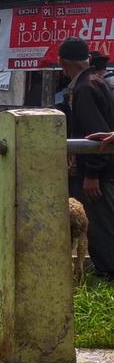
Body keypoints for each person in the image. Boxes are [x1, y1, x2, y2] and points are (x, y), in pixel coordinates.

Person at [59, 37, 114, 277]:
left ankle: (107, 272)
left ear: (62, 63)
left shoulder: (84, 89)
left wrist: (92, 174)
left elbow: (95, 135)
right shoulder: (98, 81)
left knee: (99, 224)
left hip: (97, 172)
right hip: (104, 169)